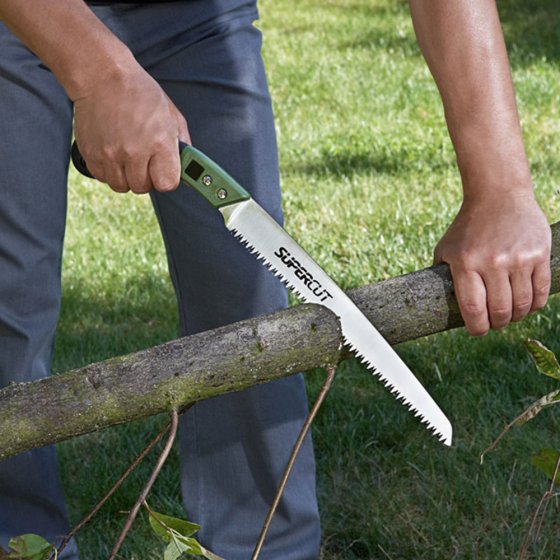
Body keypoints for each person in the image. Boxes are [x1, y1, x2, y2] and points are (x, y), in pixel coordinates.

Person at [0, 1, 551, 559]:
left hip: (196, 16)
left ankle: (264, 550)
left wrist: (500, 190)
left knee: (250, 317)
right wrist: (101, 77)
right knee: (9, 309)